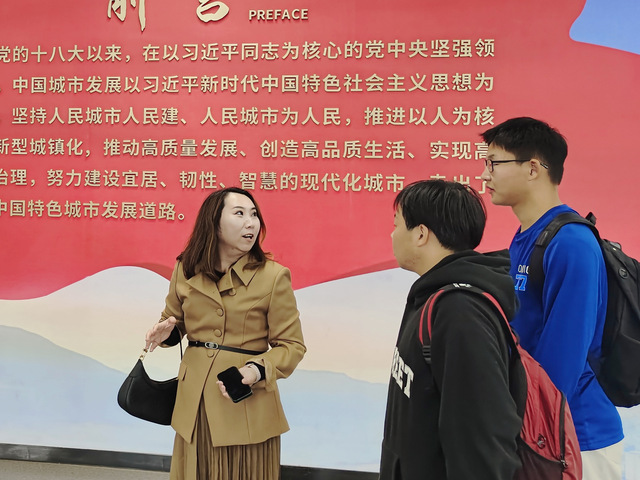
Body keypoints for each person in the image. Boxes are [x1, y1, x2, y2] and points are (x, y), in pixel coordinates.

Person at [480, 117, 624, 480]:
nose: (484, 175)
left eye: (494, 163)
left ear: (533, 169)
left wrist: (528, 433)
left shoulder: (571, 242)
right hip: (541, 430)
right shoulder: (528, 235)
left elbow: (564, 358)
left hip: (576, 438)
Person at [144, 187, 306, 480]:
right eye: (239, 214)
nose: (250, 223)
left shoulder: (273, 276)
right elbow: (175, 321)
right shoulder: (185, 268)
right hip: (194, 404)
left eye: (254, 215)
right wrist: (166, 332)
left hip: (244, 400)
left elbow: (291, 346)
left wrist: (255, 370)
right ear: (215, 224)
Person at [379, 180, 521, 480]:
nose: (392, 235)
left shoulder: (460, 312)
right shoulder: (432, 297)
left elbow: (483, 441)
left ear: (420, 234)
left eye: (396, 224)